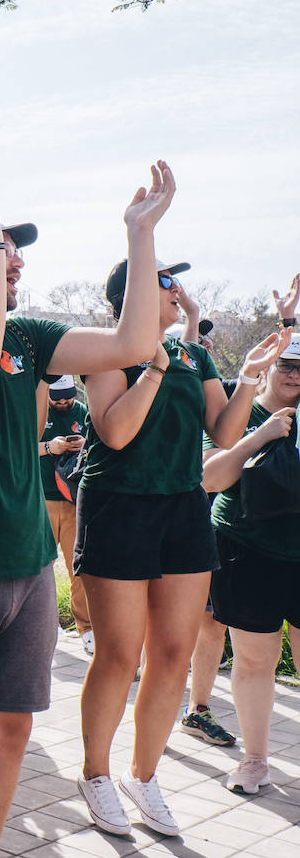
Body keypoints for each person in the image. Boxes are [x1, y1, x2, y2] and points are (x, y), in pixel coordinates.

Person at [0, 162, 175, 858]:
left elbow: (135, 345)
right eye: (4, 249)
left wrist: (139, 236)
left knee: (8, 732)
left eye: (11, 250)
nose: (16, 262)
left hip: (26, 571)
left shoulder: (31, 336)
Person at [73, 254, 286, 838]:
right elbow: (115, 433)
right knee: (119, 654)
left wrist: (246, 378)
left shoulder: (194, 354)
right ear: (133, 291)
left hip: (183, 508)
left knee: (172, 653)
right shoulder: (105, 348)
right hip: (119, 504)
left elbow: (223, 431)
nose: (177, 289)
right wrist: (152, 370)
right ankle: (95, 773)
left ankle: (142, 778)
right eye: (165, 279)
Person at [201, 333, 300, 796]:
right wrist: (259, 436)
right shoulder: (239, 410)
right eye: (285, 365)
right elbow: (211, 478)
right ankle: (255, 759)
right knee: (255, 660)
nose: (294, 374)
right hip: (246, 549)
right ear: (268, 366)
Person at [37, 375, 90, 650]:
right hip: (41, 500)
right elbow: (19, 448)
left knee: (77, 570)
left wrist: (85, 445)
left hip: (73, 502)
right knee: (40, 569)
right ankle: (43, 626)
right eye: (57, 398)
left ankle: (86, 627)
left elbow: (101, 442)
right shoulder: (36, 409)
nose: (64, 402)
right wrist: (50, 447)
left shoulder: (81, 411)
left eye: (68, 396)